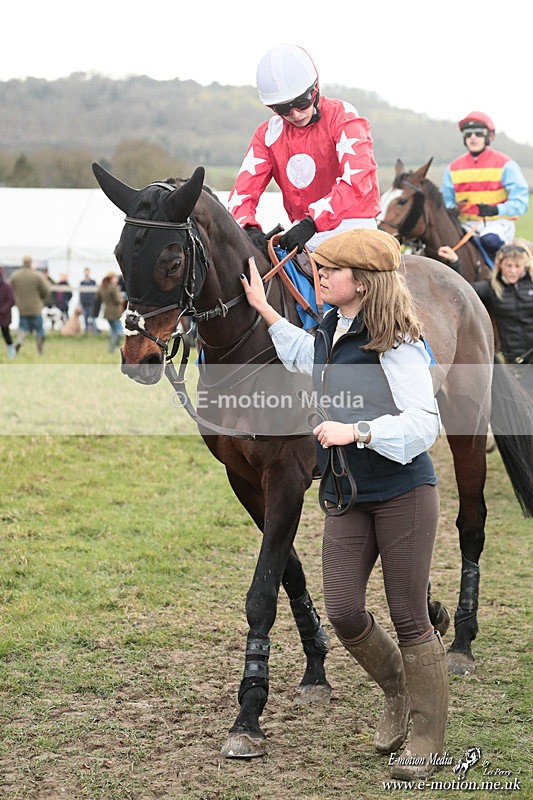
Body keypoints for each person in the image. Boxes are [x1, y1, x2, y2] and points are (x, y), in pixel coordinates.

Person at [240, 228, 446, 780]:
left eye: (330, 269)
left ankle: (427, 738)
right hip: (346, 496)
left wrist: (356, 430)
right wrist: (264, 309)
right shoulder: (330, 328)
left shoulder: (397, 341)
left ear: (363, 281)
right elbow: (308, 355)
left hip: (403, 492)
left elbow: (424, 424)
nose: (319, 275)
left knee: (407, 615)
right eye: (320, 267)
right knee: (344, 612)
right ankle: (398, 690)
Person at [228, 43, 381, 259]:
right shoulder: (267, 134)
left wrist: (313, 221)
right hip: (302, 233)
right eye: (282, 108)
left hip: (353, 228)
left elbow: (358, 180)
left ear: (315, 89)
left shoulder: (343, 115)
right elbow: (241, 195)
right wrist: (247, 228)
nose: (295, 114)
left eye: (301, 102)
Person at [439, 239, 533, 393]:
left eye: (517, 266)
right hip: (515, 361)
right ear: (500, 265)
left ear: (525, 267)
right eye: (509, 265)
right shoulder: (491, 289)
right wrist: (455, 262)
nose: (513, 271)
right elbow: (463, 290)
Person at [441, 111, 529, 259]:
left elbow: (521, 203)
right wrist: (452, 210)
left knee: (489, 240)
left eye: (478, 133)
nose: (473, 137)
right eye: (468, 134)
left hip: (497, 224)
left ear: (490, 136)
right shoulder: (452, 168)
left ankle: (504, 277)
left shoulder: (506, 164)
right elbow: (446, 201)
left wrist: (496, 209)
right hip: (464, 224)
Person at [10, 256, 52, 355]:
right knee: (40, 329)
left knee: (22, 327)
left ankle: (19, 341)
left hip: (22, 308)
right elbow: (46, 290)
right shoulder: (37, 275)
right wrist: (42, 298)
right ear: (31, 263)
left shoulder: (15, 276)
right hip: (35, 307)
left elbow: (11, 290)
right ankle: (40, 350)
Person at [95, 272, 124, 353]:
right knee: (119, 331)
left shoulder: (103, 287)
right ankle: (113, 348)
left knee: (113, 331)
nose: (117, 279)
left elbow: (98, 296)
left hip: (107, 311)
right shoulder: (113, 287)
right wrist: (122, 298)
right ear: (112, 278)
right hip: (115, 312)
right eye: (115, 278)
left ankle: (114, 346)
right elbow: (118, 300)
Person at [0, 266, 17, 359]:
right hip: (3, 314)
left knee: (6, 333)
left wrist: (3, 310)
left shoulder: (6, 287)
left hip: (4, 316)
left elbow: (11, 301)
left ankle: (11, 351)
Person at [79, 267, 98, 334]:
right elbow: (80, 294)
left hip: (91, 303)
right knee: (85, 319)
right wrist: (80, 303)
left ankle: (95, 332)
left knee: (93, 318)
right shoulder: (82, 283)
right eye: (85, 271)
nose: (86, 273)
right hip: (84, 304)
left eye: (87, 271)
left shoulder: (93, 282)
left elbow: (96, 293)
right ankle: (86, 332)